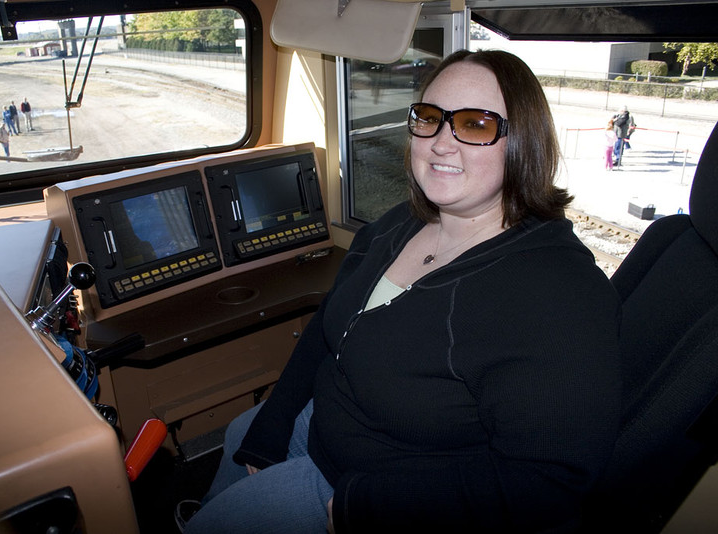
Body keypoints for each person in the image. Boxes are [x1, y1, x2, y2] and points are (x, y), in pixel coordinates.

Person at [181, 49, 621, 534]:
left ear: (524, 143)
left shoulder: (560, 296)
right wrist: (273, 428)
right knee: (241, 432)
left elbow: (547, 481)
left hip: (378, 479)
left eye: (474, 124)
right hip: (330, 421)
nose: (441, 144)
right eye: (429, 119)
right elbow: (327, 336)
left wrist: (365, 506)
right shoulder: (400, 224)